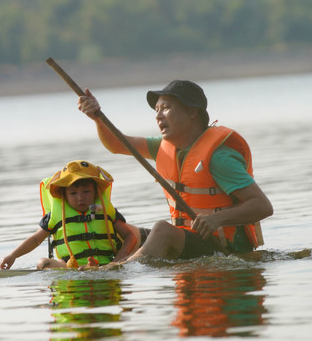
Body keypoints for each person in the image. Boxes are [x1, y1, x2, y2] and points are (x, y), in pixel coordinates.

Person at [77, 79, 273, 261]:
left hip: (224, 247)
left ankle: (124, 271)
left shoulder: (219, 158)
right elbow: (116, 144)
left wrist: (216, 219)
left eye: (166, 108)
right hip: (190, 239)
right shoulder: (163, 147)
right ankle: (109, 262)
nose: (158, 116)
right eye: (156, 110)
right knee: (129, 231)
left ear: (192, 112)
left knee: (162, 230)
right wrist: (97, 119)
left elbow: (263, 206)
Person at [0, 160, 145, 270]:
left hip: (105, 265)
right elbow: (36, 239)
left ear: (96, 191)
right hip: (69, 267)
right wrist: (13, 255)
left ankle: (93, 267)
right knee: (43, 263)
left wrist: (117, 261)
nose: (80, 197)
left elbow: (130, 236)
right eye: (73, 193)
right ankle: (87, 268)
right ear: (64, 195)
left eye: (86, 192)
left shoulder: (104, 211)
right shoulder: (54, 217)